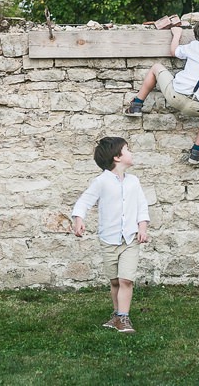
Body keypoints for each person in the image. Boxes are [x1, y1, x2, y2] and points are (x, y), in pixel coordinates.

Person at [72, 137, 150, 333]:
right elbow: (84, 201)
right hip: (109, 239)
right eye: (127, 149)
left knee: (126, 279)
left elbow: (142, 207)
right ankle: (116, 315)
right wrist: (78, 219)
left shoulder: (134, 181)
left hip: (130, 239)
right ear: (117, 157)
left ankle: (124, 318)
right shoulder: (101, 182)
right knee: (115, 281)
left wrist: (142, 228)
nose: (131, 152)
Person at [124, 17, 199, 165]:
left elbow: (174, 51)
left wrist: (176, 34)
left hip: (176, 95)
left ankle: (136, 104)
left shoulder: (194, 46)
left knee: (156, 68)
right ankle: (196, 151)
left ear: (197, 34)